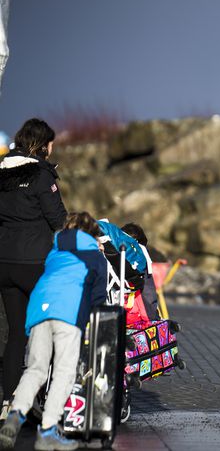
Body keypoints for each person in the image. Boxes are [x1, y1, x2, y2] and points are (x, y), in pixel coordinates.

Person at [0, 212, 107, 451]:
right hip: (67, 312)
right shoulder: (94, 255)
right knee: (63, 371)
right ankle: (47, 431)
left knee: (36, 368)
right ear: (91, 233)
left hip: (39, 308)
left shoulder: (55, 252)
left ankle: (15, 416)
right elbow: (99, 297)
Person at [0, 118, 67, 419]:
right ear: (42, 145)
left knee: (16, 333)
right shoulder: (41, 176)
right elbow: (58, 220)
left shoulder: (1, 170)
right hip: (34, 264)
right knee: (47, 331)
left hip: (4, 263)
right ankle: (46, 400)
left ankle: (7, 402)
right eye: (50, 145)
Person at [122, 222, 160, 322]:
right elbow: (148, 293)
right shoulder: (141, 255)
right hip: (134, 315)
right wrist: (152, 316)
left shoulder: (111, 252)